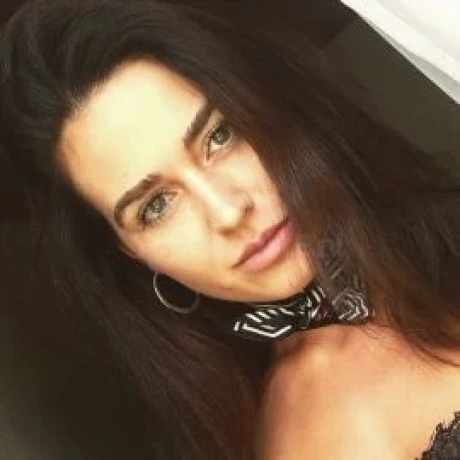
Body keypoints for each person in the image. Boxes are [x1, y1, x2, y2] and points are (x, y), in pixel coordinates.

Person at [0, 1, 459, 458]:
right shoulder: (295, 433)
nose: (227, 211)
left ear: (262, 101)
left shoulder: (437, 232)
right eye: (156, 206)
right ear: (129, 251)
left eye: (219, 135)